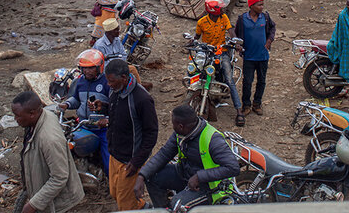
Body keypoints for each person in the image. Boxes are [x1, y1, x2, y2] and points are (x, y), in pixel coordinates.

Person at [134, 105, 240, 210]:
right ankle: (163, 209)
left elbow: (233, 168)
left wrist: (199, 177)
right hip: (185, 175)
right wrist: (142, 175)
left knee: (177, 204)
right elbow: (164, 154)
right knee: (152, 176)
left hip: (208, 187)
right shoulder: (181, 134)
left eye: (173, 124)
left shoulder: (212, 139)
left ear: (181, 126)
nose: (172, 127)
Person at [93, 59, 158, 211]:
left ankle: (136, 207)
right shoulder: (116, 91)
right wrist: (104, 108)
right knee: (115, 192)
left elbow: (151, 133)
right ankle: (142, 207)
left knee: (125, 204)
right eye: (108, 81)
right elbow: (118, 113)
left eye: (111, 81)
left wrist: (136, 162)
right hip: (114, 154)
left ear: (124, 77)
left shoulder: (142, 99)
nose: (109, 84)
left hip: (129, 160)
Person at [12, 91, 85, 213]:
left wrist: (33, 205)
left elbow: (59, 177)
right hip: (47, 193)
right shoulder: (39, 118)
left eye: (18, 115)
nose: (15, 119)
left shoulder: (49, 139)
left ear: (32, 113)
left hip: (61, 204)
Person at [58, 49, 111, 176]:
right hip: (83, 125)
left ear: (99, 67)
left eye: (91, 68)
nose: (87, 71)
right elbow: (76, 99)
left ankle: (112, 181)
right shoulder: (80, 81)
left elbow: (114, 104)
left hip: (102, 128)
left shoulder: (107, 82)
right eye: (84, 68)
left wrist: (106, 115)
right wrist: (66, 104)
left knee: (109, 159)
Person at [194, 0, 244, 126]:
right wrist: (191, 42)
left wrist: (236, 42)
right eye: (221, 8)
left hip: (221, 51)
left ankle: (239, 111)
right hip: (206, 51)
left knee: (229, 79)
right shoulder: (201, 22)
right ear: (213, 10)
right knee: (195, 71)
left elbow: (231, 31)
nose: (224, 9)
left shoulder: (224, 18)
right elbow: (197, 36)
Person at [235, 0, 275, 116]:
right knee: (247, 81)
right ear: (251, 6)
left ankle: (257, 103)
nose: (262, 7)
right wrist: (239, 46)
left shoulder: (266, 18)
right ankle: (246, 105)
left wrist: (269, 41)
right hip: (249, 56)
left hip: (263, 56)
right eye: (259, 5)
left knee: (261, 81)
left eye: (262, 4)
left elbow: (272, 29)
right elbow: (237, 34)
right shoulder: (242, 19)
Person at [94, 17, 143, 83]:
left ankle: (138, 88)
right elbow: (102, 65)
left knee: (132, 69)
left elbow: (123, 54)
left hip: (118, 68)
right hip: (107, 72)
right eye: (116, 30)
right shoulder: (100, 45)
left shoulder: (116, 40)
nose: (118, 31)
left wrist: (120, 66)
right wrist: (117, 68)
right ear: (109, 32)